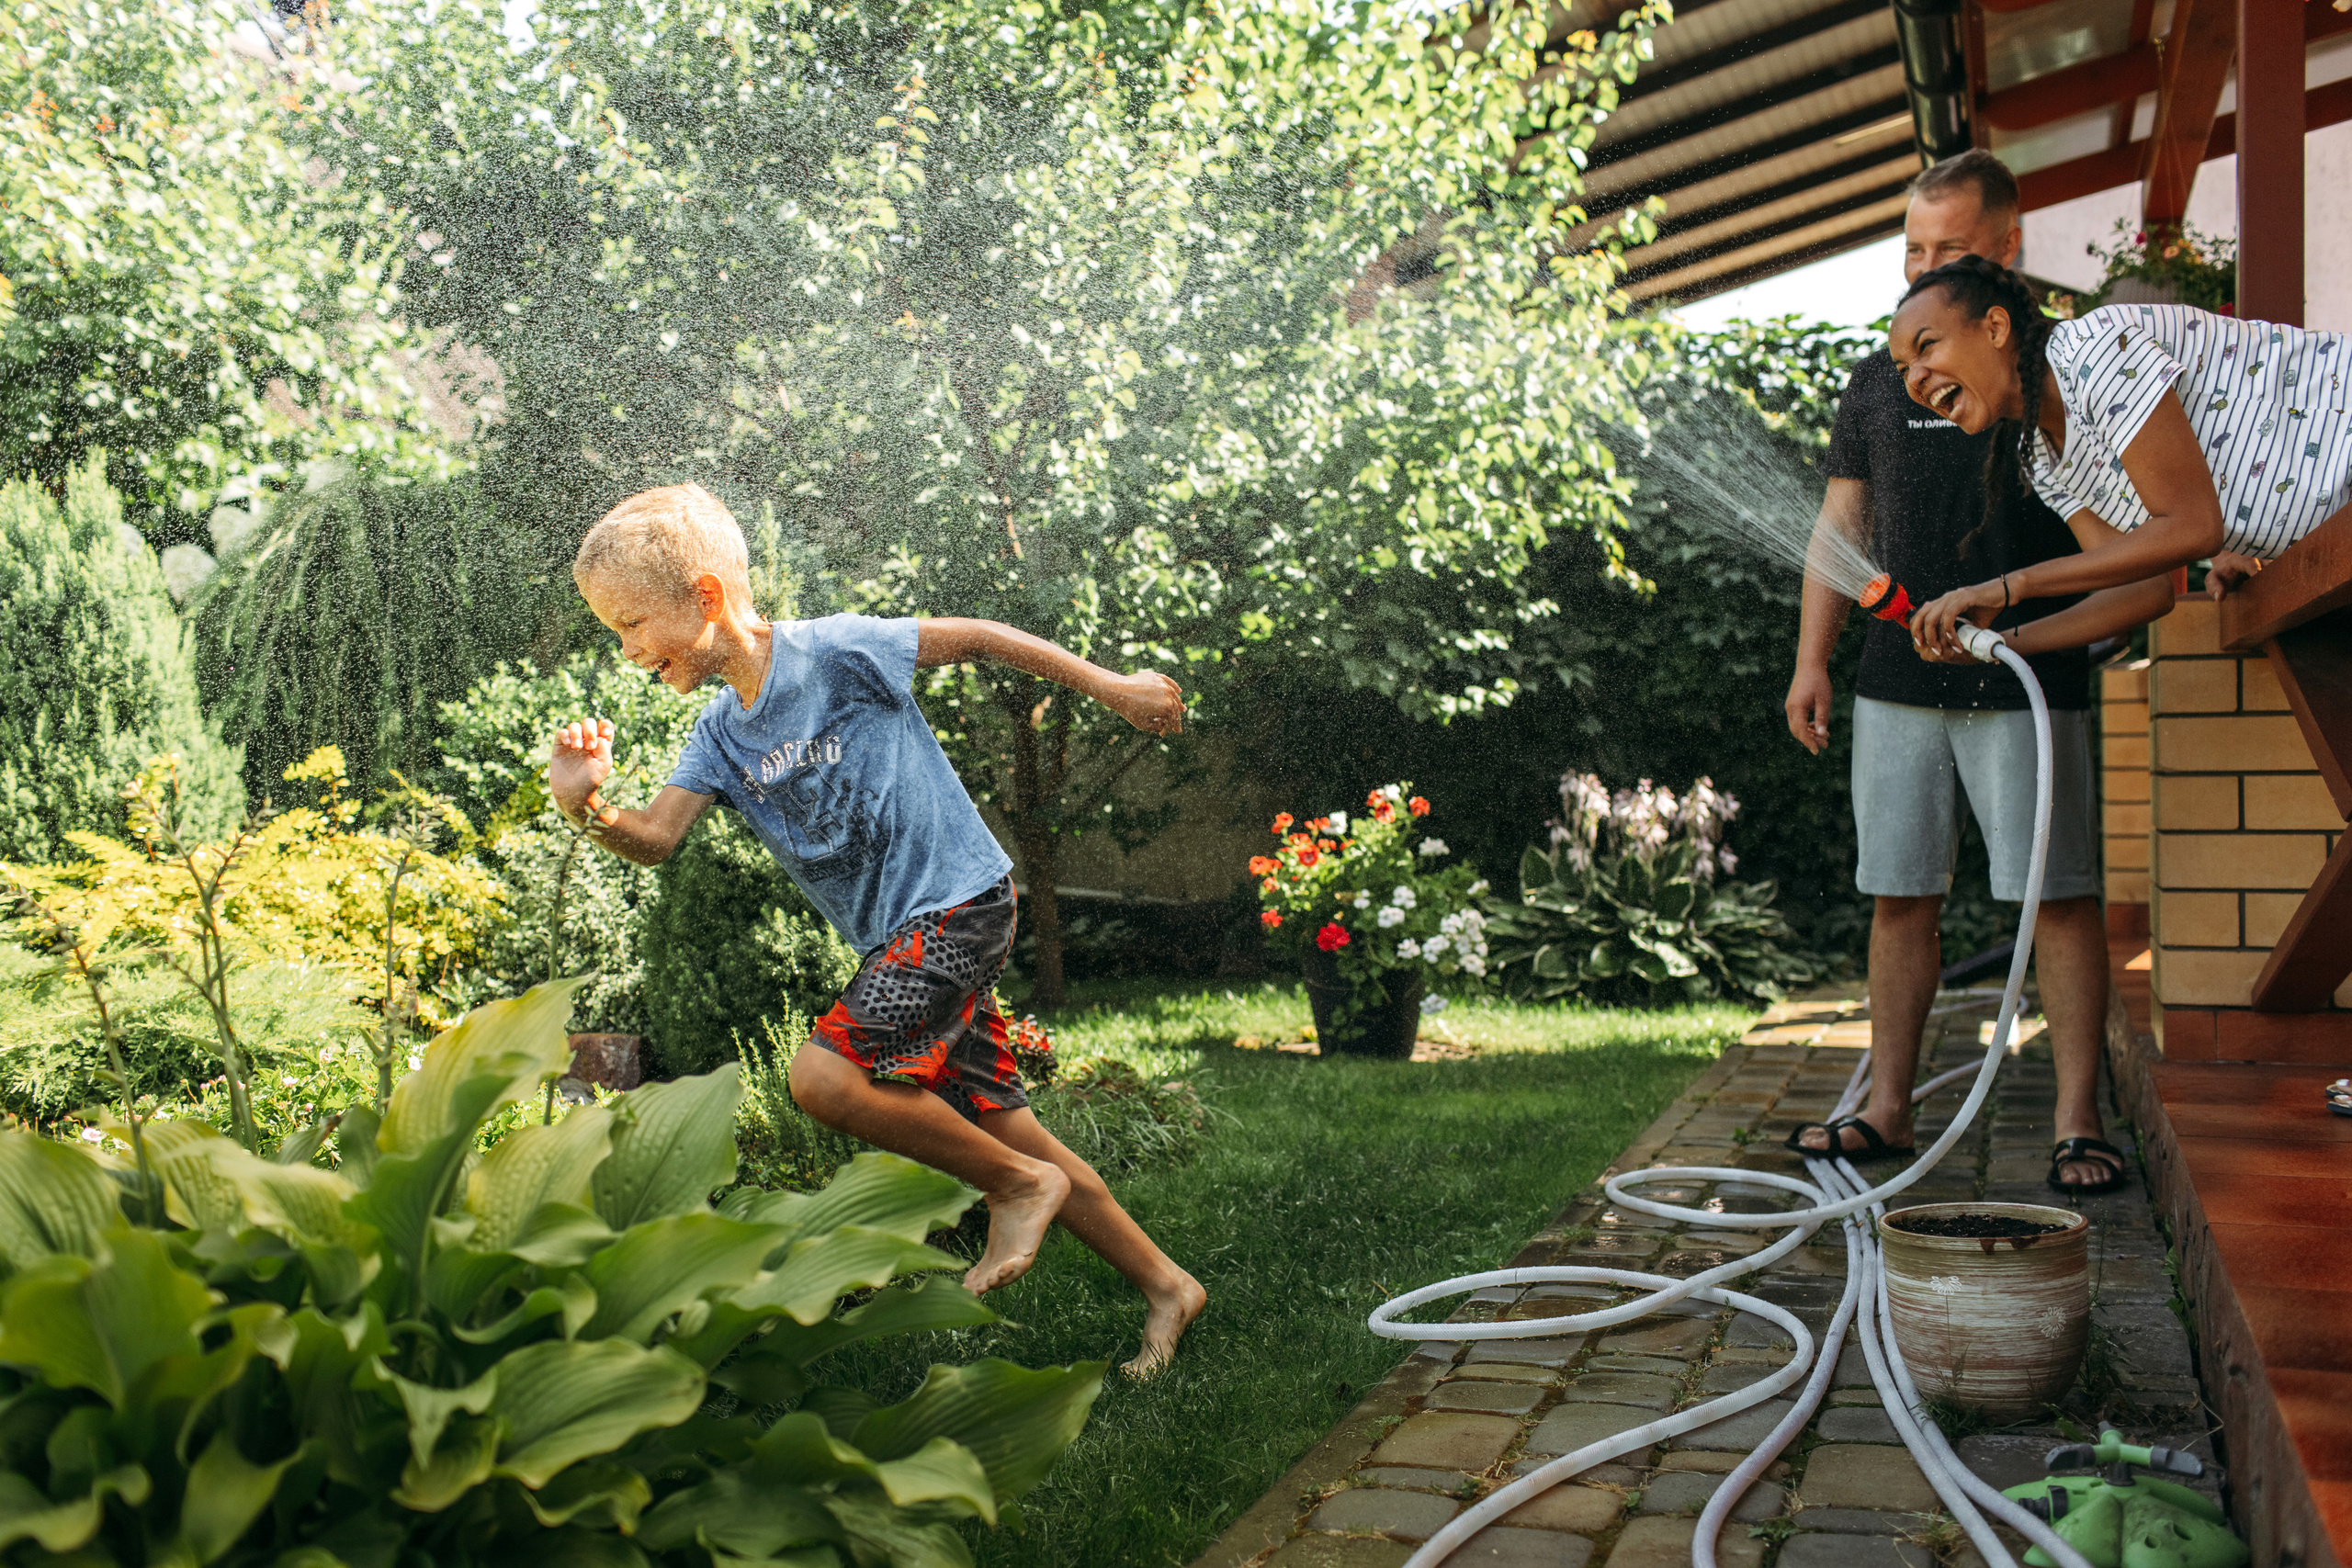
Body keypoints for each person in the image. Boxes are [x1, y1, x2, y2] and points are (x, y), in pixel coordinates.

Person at [545, 483, 1207, 1376]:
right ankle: (1165, 1283)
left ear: (705, 597)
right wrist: (584, 806)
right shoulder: (717, 735)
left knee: (823, 1076)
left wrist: (1114, 688)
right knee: (1011, 1127)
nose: (626, 652)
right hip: (902, 940)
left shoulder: (835, 653)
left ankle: (1017, 1189)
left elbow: (976, 636)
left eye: (630, 624)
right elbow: (655, 840)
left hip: (961, 904)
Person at [1781, 152, 2175, 1194]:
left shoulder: (2056, 373)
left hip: (2026, 678)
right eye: (1910, 248)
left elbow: (2139, 511)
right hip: (1892, 680)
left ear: (2004, 253)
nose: (1921, 267)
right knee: (1898, 893)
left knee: (2059, 897)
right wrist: (1811, 659)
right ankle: (1886, 1107)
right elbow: (1841, 524)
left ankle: (2078, 1118)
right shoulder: (1879, 377)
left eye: (1946, 250)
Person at [1896, 254, 2349, 653]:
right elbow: (2143, 592)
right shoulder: (2040, 453)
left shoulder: (2093, 353)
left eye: (1927, 345)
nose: (1914, 378)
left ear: (1996, 327)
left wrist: (2011, 587)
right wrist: (1995, 646)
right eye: (1903, 369)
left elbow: (2194, 526)